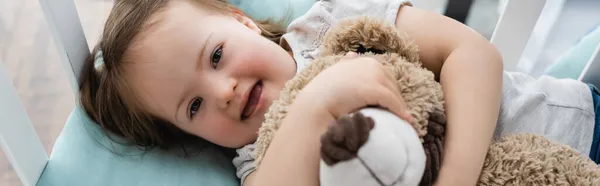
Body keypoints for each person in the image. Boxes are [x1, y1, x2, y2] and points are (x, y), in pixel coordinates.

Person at [79, 0, 599, 185]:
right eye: (193, 107)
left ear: (241, 21)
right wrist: (316, 103)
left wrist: (457, 178)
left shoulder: (332, 23)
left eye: (216, 56)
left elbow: (474, 56)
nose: (224, 91)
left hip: (574, 134)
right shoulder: (260, 160)